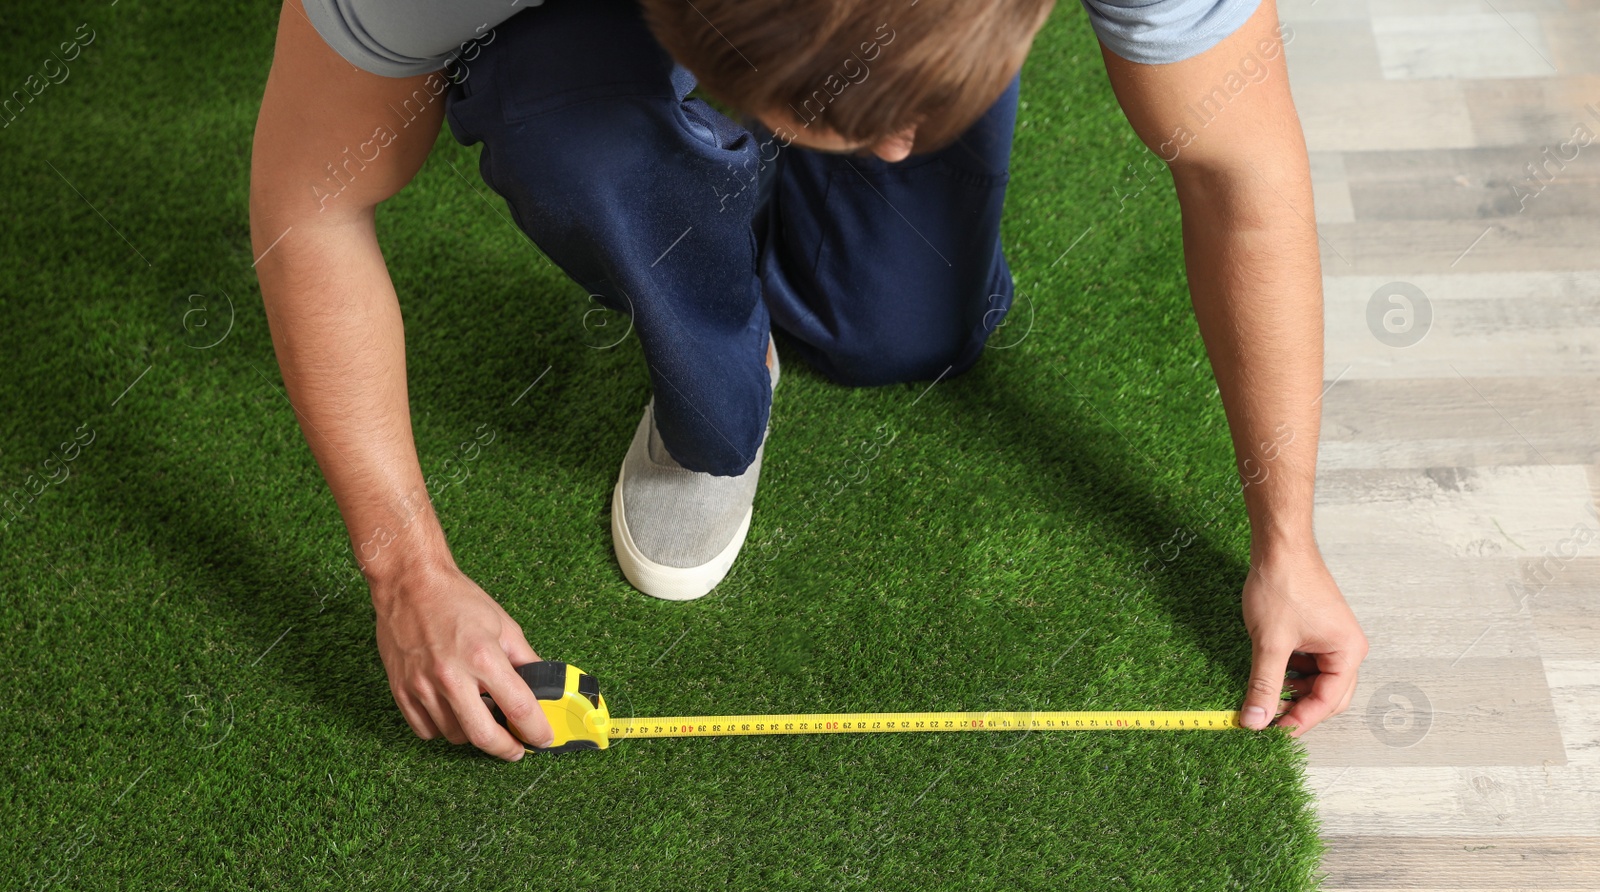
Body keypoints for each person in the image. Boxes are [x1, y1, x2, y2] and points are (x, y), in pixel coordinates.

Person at [249, 0, 1368, 761]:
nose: (895, 147)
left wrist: (1288, 541)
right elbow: (308, 204)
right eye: (848, 121)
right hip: (583, 41)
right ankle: (693, 254)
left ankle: (782, 182)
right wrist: (405, 571)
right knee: (580, 136)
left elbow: (1242, 179)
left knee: (898, 333)